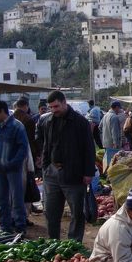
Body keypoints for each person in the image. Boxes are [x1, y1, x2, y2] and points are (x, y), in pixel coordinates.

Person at [37, 90, 95, 242]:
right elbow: (45, 145)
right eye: (51, 107)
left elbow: (89, 148)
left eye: (56, 106)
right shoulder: (47, 121)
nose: (54, 110)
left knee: (77, 212)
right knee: (51, 212)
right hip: (52, 173)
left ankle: (74, 244)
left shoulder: (80, 122)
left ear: (64, 103)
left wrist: (88, 173)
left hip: (74, 174)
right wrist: (45, 166)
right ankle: (53, 242)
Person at [0, 100, 29, 235]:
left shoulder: (17, 127)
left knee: (17, 200)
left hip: (13, 170)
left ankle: (20, 228)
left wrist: (13, 163)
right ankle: (5, 228)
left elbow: (23, 149)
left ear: (2, 111)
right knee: (2, 201)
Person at [99, 101, 124, 171]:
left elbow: (100, 127)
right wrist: (116, 144)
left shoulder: (105, 115)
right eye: (119, 108)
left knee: (107, 161)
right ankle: (111, 176)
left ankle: (107, 174)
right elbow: (114, 132)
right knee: (113, 162)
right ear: (116, 107)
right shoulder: (114, 117)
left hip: (105, 142)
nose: (119, 110)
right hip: (113, 144)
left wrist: (105, 134)